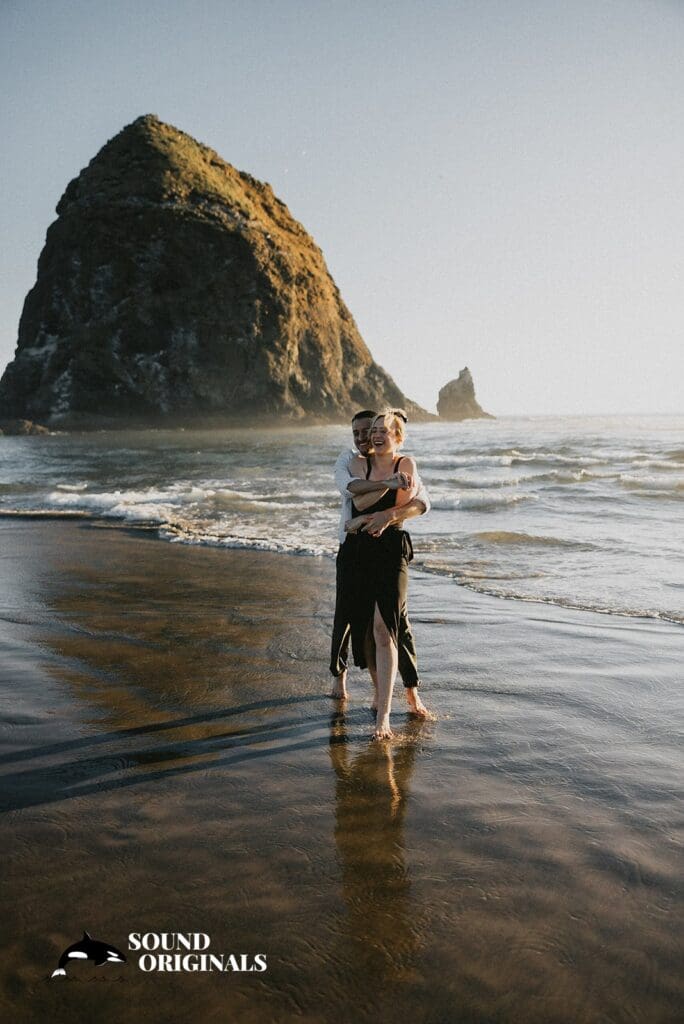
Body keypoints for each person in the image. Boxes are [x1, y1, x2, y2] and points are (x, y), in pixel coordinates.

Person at [330, 410, 430, 708]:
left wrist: (384, 516)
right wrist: (389, 484)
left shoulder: (402, 462)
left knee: (396, 624)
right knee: (348, 616)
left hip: (388, 548)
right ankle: (340, 675)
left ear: (393, 434)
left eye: (371, 430)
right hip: (352, 547)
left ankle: (411, 688)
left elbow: (422, 501)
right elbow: (353, 492)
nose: (364, 437)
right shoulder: (349, 461)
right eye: (358, 433)